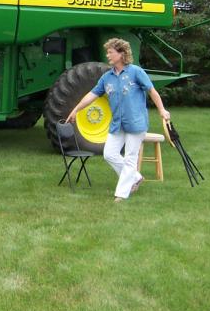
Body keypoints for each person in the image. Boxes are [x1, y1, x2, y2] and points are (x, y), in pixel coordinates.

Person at [65, 38, 170, 203]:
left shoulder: (136, 72)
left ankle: (121, 194)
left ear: (122, 54)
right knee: (109, 154)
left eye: (110, 52)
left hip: (136, 123)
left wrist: (162, 110)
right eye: (107, 52)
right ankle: (135, 177)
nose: (108, 55)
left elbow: (152, 91)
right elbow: (91, 95)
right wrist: (76, 109)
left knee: (130, 158)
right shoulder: (106, 77)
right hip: (117, 124)